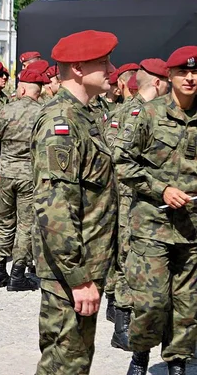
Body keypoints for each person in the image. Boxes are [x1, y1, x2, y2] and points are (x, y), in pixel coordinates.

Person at [31, 30, 118, 375]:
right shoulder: (61, 123)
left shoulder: (84, 114)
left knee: (72, 359)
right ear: (80, 68)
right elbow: (54, 207)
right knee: (65, 364)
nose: (111, 68)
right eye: (104, 61)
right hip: (72, 272)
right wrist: (79, 278)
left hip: (84, 265)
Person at [112, 46, 197, 375]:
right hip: (152, 224)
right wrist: (162, 188)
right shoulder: (149, 114)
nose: (190, 78)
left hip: (191, 228)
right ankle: (141, 354)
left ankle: (177, 361)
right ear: (170, 76)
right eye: (182, 72)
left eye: (195, 72)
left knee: (187, 303)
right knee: (152, 302)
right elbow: (122, 162)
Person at [106, 58, 170, 353]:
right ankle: (123, 325)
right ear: (158, 82)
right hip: (132, 196)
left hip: (140, 196)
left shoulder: (135, 110)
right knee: (128, 256)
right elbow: (119, 158)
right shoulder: (135, 112)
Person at [0, 69, 45, 292]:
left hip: (6, 174)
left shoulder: (5, 111)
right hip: (30, 175)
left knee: (4, 222)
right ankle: (18, 273)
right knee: (26, 224)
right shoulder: (43, 113)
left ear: (23, 88)